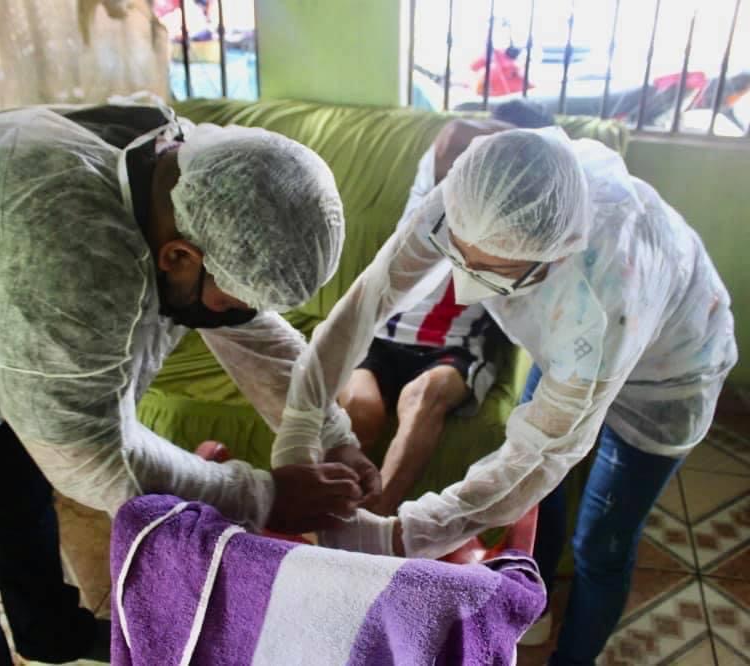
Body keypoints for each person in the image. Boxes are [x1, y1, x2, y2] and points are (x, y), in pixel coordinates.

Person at [0, 82, 379, 665]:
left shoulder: (182, 173)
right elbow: (89, 455)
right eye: (232, 300)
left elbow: (250, 330)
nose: (238, 317)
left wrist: (331, 438)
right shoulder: (63, 252)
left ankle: (51, 634)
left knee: (23, 520)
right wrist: (266, 497)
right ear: (177, 258)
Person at [271, 126, 737, 664]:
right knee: (542, 506)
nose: (466, 283)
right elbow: (367, 303)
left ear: (553, 258)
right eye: (459, 257)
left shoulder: (607, 292)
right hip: (568, 349)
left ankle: (573, 657)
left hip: (668, 379)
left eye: (494, 273)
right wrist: (302, 422)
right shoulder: (473, 197)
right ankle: (533, 610)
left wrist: (405, 536)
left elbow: (540, 453)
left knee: (600, 545)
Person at [338, 101, 553, 516]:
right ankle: (331, 517)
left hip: (453, 346)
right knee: (360, 408)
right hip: (383, 333)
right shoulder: (443, 179)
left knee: (424, 395)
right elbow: (456, 133)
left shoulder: (528, 211)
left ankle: (373, 524)